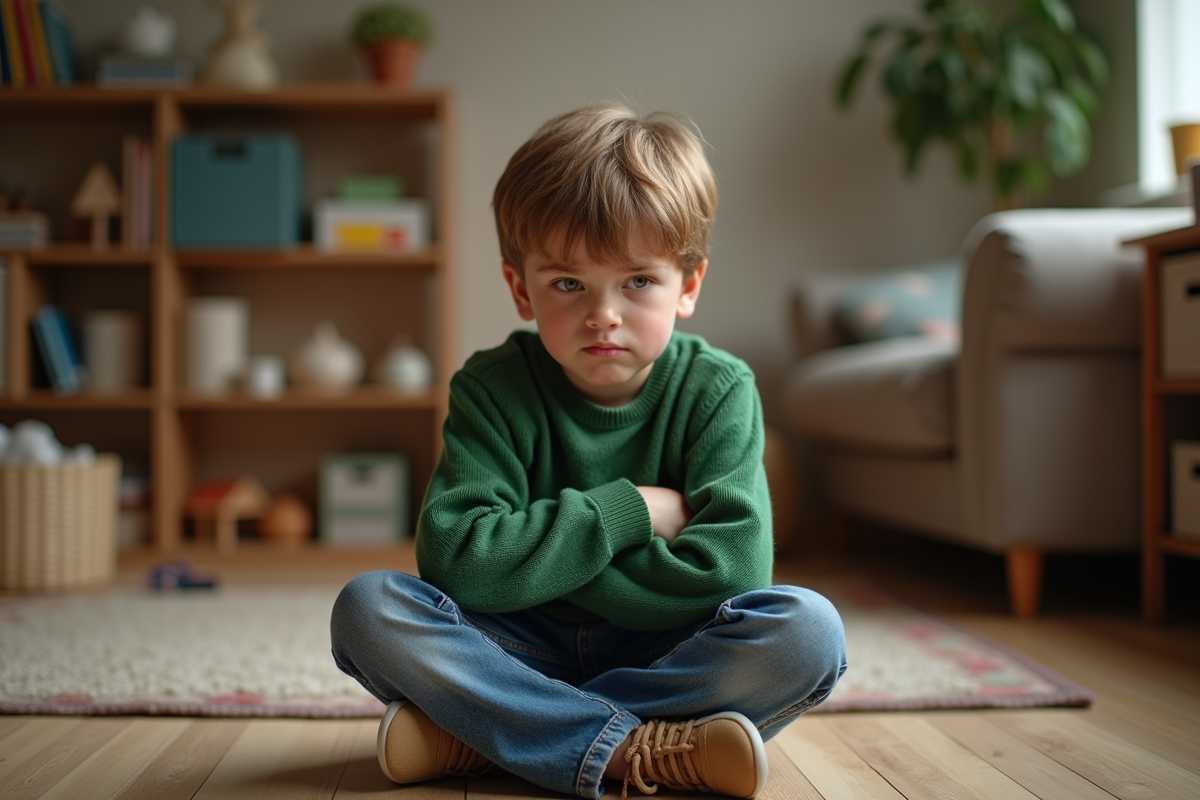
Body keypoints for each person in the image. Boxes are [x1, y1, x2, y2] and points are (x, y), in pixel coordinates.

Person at [330, 104, 847, 799]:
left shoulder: (719, 388)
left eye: (638, 282)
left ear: (688, 286)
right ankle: (643, 749)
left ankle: (487, 736)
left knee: (809, 634)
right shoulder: (491, 388)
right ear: (522, 289)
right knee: (367, 609)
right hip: (517, 646)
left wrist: (530, 561)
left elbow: (731, 573)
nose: (604, 314)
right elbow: (455, 562)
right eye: (568, 284)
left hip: (664, 650)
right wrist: (631, 511)